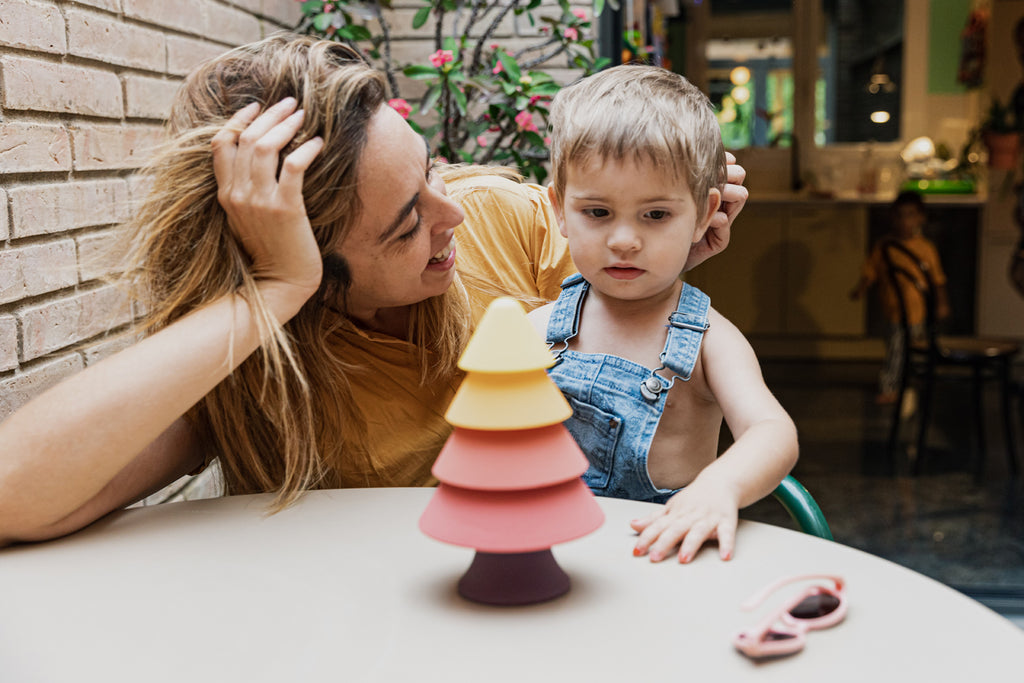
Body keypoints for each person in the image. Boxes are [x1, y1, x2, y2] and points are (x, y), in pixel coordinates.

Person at [0, 34, 749, 548]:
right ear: (317, 270)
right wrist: (275, 288)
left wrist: (673, 255)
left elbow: (631, 338)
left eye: (427, 168)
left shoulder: (500, 218)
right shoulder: (262, 368)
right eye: (403, 226)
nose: (449, 210)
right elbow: (13, 496)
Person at [527, 65, 798, 565]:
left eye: (655, 215)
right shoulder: (535, 330)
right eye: (597, 212)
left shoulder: (710, 340)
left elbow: (772, 431)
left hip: (664, 557)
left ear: (704, 213)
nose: (624, 240)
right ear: (560, 210)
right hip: (553, 556)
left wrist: (720, 487)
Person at [849, 190, 949, 405]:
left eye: (911, 215)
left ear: (921, 217)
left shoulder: (926, 248)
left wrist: (941, 303)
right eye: (900, 215)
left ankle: (900, 385)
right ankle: (892, 387)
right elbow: (870, 272)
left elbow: (937, 279)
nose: (905, 221)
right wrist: (860, 290)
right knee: (896, 350)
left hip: (918, 311)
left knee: (907, 350)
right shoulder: (885, 246)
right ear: (892, 218)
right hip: (894, 311)